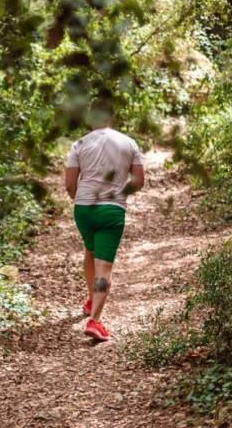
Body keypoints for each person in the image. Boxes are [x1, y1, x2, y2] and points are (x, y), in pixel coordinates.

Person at [64, 108, 145, 342]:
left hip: (84, 209)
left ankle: (91, 301)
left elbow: (70, 185)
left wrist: (81, 200)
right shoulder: (129, 143)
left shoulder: (79, 144)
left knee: (90, 251)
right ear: (113, 116)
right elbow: (139, 181)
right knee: (104, 266)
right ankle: (95, 322)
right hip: (112, 210)